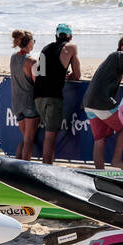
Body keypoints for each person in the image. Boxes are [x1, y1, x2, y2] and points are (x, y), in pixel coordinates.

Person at [81, 34, 123, 169]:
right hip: (102, 101)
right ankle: (117, 160)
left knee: (99, 139)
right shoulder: (120, 55)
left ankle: (99, 173)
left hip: (88, 103)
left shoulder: (112, 58)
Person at [32, 23, 81, 164]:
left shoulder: (46, 48)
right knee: (50, 137)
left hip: (38, 96)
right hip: (53, 96)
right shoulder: (71, 47)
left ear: (55, 36)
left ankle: (46, 164)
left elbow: (39, 71)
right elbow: (77, 75)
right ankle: (47, 167)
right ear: (70, 37)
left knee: (44, 135)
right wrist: (67, 75)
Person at [10, 30, 39, 160]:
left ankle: (16, 166)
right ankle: (23, 168)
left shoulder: (13, 57)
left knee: (25, 138)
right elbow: (38, 82)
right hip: (29, 102)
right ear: (30, 42)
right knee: (28, 140)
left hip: (17, 102)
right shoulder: (31, 61)